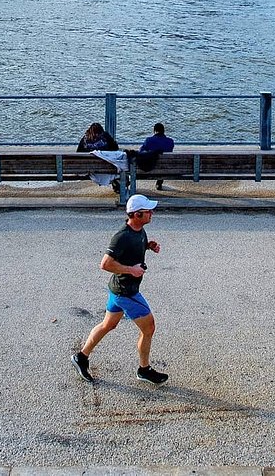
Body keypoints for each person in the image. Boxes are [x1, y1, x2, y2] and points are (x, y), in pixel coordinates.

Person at [71, 193, 168, 386]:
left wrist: (148, 246)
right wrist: (131, 270)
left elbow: (134, 247)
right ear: (137, 214)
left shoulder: (139, 230)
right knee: (149, 328)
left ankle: (80, 357)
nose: (152, 213)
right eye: (148, 211)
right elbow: (105, 264)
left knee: (108, 325)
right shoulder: (121, 236)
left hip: (116, 291)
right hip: (126, 292)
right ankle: (144, 370)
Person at [138, 122, 174, 191]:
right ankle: (159, 181)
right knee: (161, 162)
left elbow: (141, 152)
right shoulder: (170, 141)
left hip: (150, 167)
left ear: (154, 131)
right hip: (166, 169)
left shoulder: (149, 140)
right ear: (164, 131)